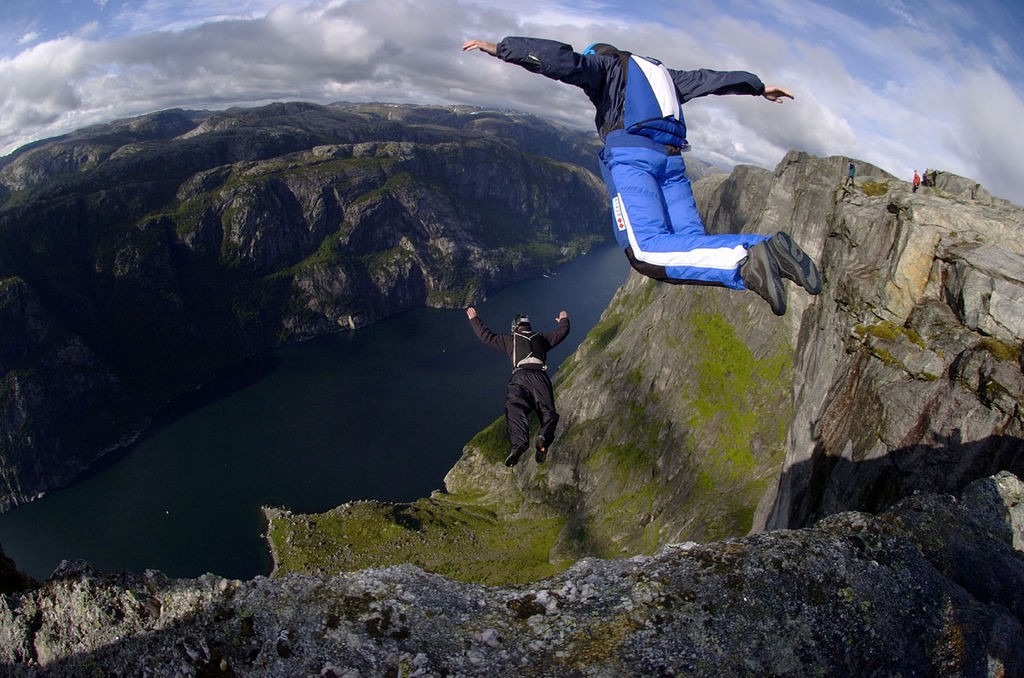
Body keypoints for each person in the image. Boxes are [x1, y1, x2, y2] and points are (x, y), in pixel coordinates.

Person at [461, 37, 822, 316]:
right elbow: (711, 80)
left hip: (635, 160)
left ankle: (753, 253)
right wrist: (756, 86)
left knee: (646, 251)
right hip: (673, 165)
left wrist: (504, 49)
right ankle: (770, 251)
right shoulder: (664, 75)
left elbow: (565, 62)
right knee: (688, 251)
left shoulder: (608, 65)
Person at [466, 307, 570, 467]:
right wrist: (563, 319)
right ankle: (543, 439)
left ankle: (518, 445)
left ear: (515, 327)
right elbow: (563, 332)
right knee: (547, 412)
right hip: (540, 377)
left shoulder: (510, 339)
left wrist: (474, 319)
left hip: (520, 378)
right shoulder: (542, 338)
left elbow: (486, 336)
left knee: (514, 407)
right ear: (529, 327)